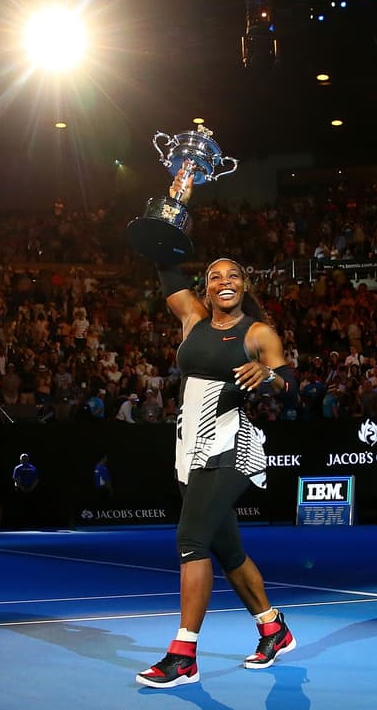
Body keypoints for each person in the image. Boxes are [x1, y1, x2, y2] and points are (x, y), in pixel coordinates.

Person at [136, 167, 299, 689]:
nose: (224, 282)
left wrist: (269, 375)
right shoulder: (191, 319)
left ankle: (183, 654)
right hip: (189, 443)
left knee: (191, 539)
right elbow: (165, 260)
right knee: (227, 549)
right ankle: (274, 629)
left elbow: (289, 383)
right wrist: (176, 196)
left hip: (231, 444)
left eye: (234, 276)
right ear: (204, 287)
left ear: (245, 286)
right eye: (215, 276)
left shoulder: (258, 332)